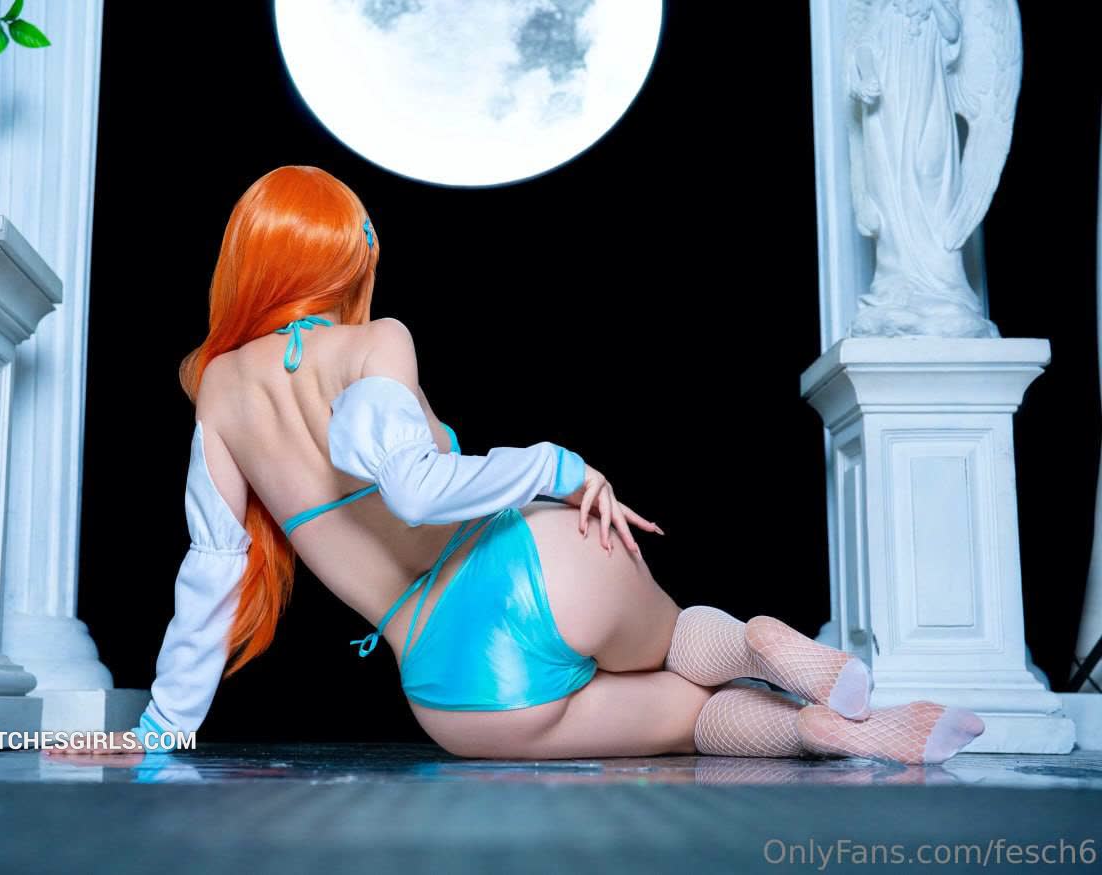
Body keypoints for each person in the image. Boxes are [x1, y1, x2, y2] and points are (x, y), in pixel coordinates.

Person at [55, 166, 984, 765]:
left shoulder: (218, 390)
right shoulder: (373, 342)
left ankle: (818, 732)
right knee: (677, 646)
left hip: (457, 684)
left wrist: (159, 732)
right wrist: (558, 465)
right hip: (537, 560)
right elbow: (415, 487)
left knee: (688, 721)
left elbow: (211, 573)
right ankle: (756, 646)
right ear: (346, 257)